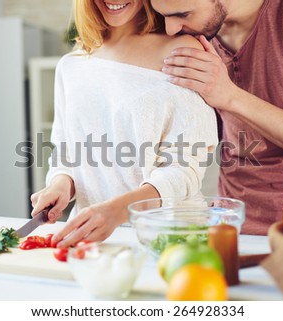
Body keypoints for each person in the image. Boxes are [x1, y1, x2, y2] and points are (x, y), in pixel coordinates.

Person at [151, 0, 283, 235]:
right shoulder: (195, 29)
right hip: (231, 219)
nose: (169, 29)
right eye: (163, 16)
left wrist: (229, 95)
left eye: (182, 14)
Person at [30, 0, 218, 247]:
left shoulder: (182, 51)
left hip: (168, 239)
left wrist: (119, 211)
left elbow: (184, 170)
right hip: (92, 240)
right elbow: (66, 153)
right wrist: (60, 184)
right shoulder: (71, 65)